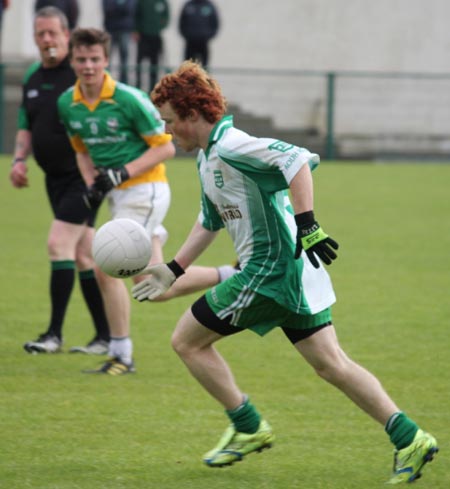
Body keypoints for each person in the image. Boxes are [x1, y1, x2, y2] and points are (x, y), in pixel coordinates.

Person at [132, 61, 439, 484]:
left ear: (191, 114)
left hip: (270, 272)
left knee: (187, 340)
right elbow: (210, 221)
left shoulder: (234, 146)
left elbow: (295, 160)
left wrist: (308, 222)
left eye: (169, 121)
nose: (167, 131)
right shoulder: (209, 159)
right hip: (289, 273)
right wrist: (173, 268)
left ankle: (248, 425)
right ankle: (411, 439)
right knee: (331, 364)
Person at [57, 28, 236, 375]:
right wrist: (93, 182)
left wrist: (121, 173)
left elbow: (166, 146)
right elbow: (82, 149)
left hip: (146, 190)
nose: (88, 66)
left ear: (107, 60)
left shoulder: (129, 99)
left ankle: (121, 355)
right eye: (81, 59)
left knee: (105, 263)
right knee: (154, 287)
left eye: (95, 59)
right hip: (118, 194)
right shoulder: (68, 103)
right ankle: (230, 273)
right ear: (73, 60)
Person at [10, 7, 110, 355]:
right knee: (84, 255)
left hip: (83, 177)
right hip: (53, 179)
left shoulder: (81, 71)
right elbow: (26, 122)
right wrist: (20, 159)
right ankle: (105, 337)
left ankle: (53, 334)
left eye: (53, 33)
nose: (47, 40)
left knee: (58, 244)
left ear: (67, 36)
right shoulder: (34, 76)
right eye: (41, 34)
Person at [133, 0, 170, 92]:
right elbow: (136, 15)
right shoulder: (142, 2)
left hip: (156, 36)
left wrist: (159, 26)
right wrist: (136, 30)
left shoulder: (163, 2)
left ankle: (153, 87)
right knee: (139, 62)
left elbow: (166, 16)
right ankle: (138, 85)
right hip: (143, 36)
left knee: (155, 62)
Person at [102, 0, 136, 84]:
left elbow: (130, 10)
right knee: (107, 56)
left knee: (124, 57)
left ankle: (124, 80)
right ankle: (105, 80)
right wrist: (120, 9)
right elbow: (108, 10)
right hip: (111, 29)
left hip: (124, 30)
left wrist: (117, 10)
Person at [179, 0, 219, 68]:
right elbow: (181, 22)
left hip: (203, 42)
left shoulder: (209, 6)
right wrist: (187, 35)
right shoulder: (188, 5)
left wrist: (208, 36)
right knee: (188, 67)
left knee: (204, 67)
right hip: (190, 42)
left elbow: (215, 23)